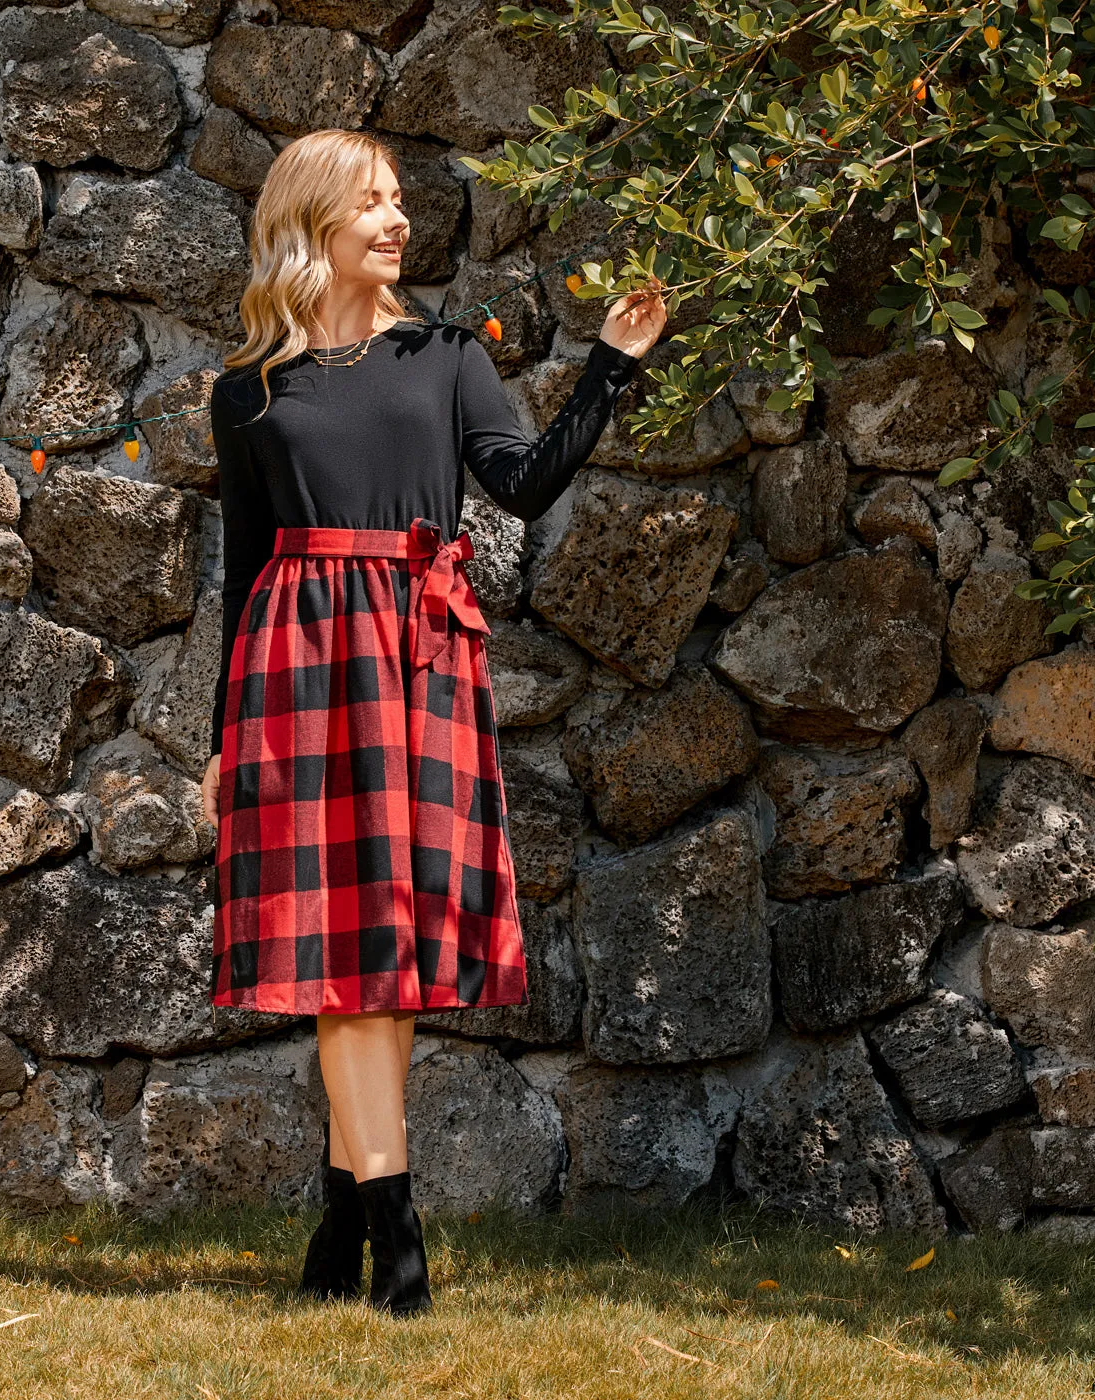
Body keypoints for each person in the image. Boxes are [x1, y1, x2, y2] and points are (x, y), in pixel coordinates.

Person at [198, 128, 667, 1317]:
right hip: (295, 664)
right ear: (312, 222)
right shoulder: (247, 390)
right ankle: (394, 1229)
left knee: (388, 956)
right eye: (372, 202)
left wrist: (609, 365)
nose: (398, 219)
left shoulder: (447, 355)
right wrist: (217, 737)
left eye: (399, 199)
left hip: (418, 655)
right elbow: (241, 565)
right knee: (341, 963)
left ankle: (342, 1213)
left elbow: (519, 481)